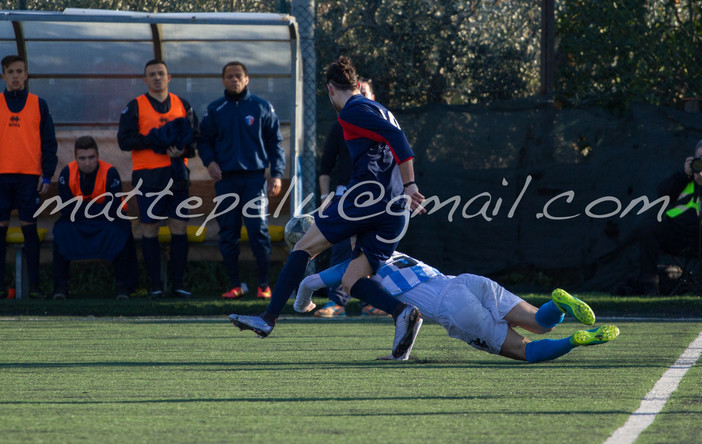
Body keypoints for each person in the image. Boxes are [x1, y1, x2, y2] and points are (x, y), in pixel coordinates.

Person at [230, 56, 426, 360]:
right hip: (396, 210)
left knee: (303, 248)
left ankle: (267, 318)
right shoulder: (378, 108)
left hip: (367, 200)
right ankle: (402, 313)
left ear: (331, 90)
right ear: (358, 85)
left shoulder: (352, 111)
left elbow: (396, 138)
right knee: (353, 280)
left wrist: (411, 183)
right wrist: (407, 188)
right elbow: (394, 137)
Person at [294, 251, 620, 361]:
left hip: (453, 306)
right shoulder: (393, 249)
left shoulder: (355, 263)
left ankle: (574, 341)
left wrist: (301, 304)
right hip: (465, 281)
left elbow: (310, 283)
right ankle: (558, 303)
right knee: (540, 321)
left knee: (525, 350)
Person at [197, 61, 285, 301]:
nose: (234, 80)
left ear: (247, 79)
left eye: (239, 76)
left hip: (255, 181)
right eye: (229, 76)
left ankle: (264, 285)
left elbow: (275, 143)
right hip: (226, 180)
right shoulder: (215, 109)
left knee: (258, 232)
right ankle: (235, 285)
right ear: (223, 80)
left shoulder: (262, 107)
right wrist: (210, 162)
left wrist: (276, 174)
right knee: (228, 233)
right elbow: (203, 140)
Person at [117, 59, 197, 299]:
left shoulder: (182, 104)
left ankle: (179, 284)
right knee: (149, 228)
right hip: (148, 177)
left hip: (177, 176)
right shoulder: (135, 106)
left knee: (179, 227)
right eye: (152, 75)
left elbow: (195, 139)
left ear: (169, 77)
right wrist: (157, 141)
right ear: (145, 80)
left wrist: (181, 150)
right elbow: (124, 140)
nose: (157, 78)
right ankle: (155, 285)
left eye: (161, 74)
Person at [316, 77, 389, 318]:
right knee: (340, 247)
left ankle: (374, 302)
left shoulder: (383, 125)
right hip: (345, 195)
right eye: (358, 92)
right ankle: (337, 302)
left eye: (365, 92)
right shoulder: (341, 125)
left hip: (377, 198)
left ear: (373, 98)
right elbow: (326, 165)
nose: (361, 97)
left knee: (373, 250)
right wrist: (326, 196)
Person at [52, 136, 138, 300]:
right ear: (75, 158)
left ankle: (124, 287)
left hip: (106, 220)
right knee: (60, 230)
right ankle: (60, 288)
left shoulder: (110, 172)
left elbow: (112, 208)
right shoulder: (67, 173)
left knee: (122, 230)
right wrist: (92, 209)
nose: (87, 162)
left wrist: (84, 209)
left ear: (98, 155)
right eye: (82, 158)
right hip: (78, 220)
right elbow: (66, 208)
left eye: (91, 157)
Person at [0, 55, 58, 299]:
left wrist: (46, 175)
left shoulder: (38, 104)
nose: (15, 76)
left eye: (19, 71)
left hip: (28, 177)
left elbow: (48, 142)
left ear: (26, 75)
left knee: (29, 230)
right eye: (10, 71)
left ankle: (34, 286)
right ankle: (1, 287)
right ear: (3, 76)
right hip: (1, 176)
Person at [627, 140, 702, 296]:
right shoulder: (682, 179)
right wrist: (685, 175)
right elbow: (663, 193)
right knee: (649, 228)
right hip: (677, 235)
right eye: (699, 159)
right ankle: (650, 288)